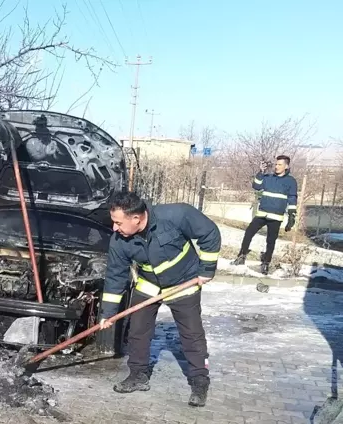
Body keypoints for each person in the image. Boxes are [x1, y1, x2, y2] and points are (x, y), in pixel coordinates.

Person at [98, 191, 221, 407]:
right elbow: (115, 276)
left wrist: (207, 269)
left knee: (191, 334)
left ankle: (199, 380)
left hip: (184, 280)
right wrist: (108, 313)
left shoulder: (176, 214)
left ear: (136, 218)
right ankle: (138, 375)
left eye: (118, 222)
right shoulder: (119, 240)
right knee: (137, 330)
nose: (115, 228)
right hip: (150, 284)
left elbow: (210, 234)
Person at [231, 155, 298, 274]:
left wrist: (292, 216)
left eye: (280, 164)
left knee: (270, 241)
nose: (277, 166)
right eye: (276, 164)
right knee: (249, 233)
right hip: (262, 213)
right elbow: (256, 186)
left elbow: (292, 198)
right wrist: (261, 172)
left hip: (276, 216)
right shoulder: (268, 177)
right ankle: (241, 257)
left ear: (286, 166)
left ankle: (266, 263)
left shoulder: (291, 181)